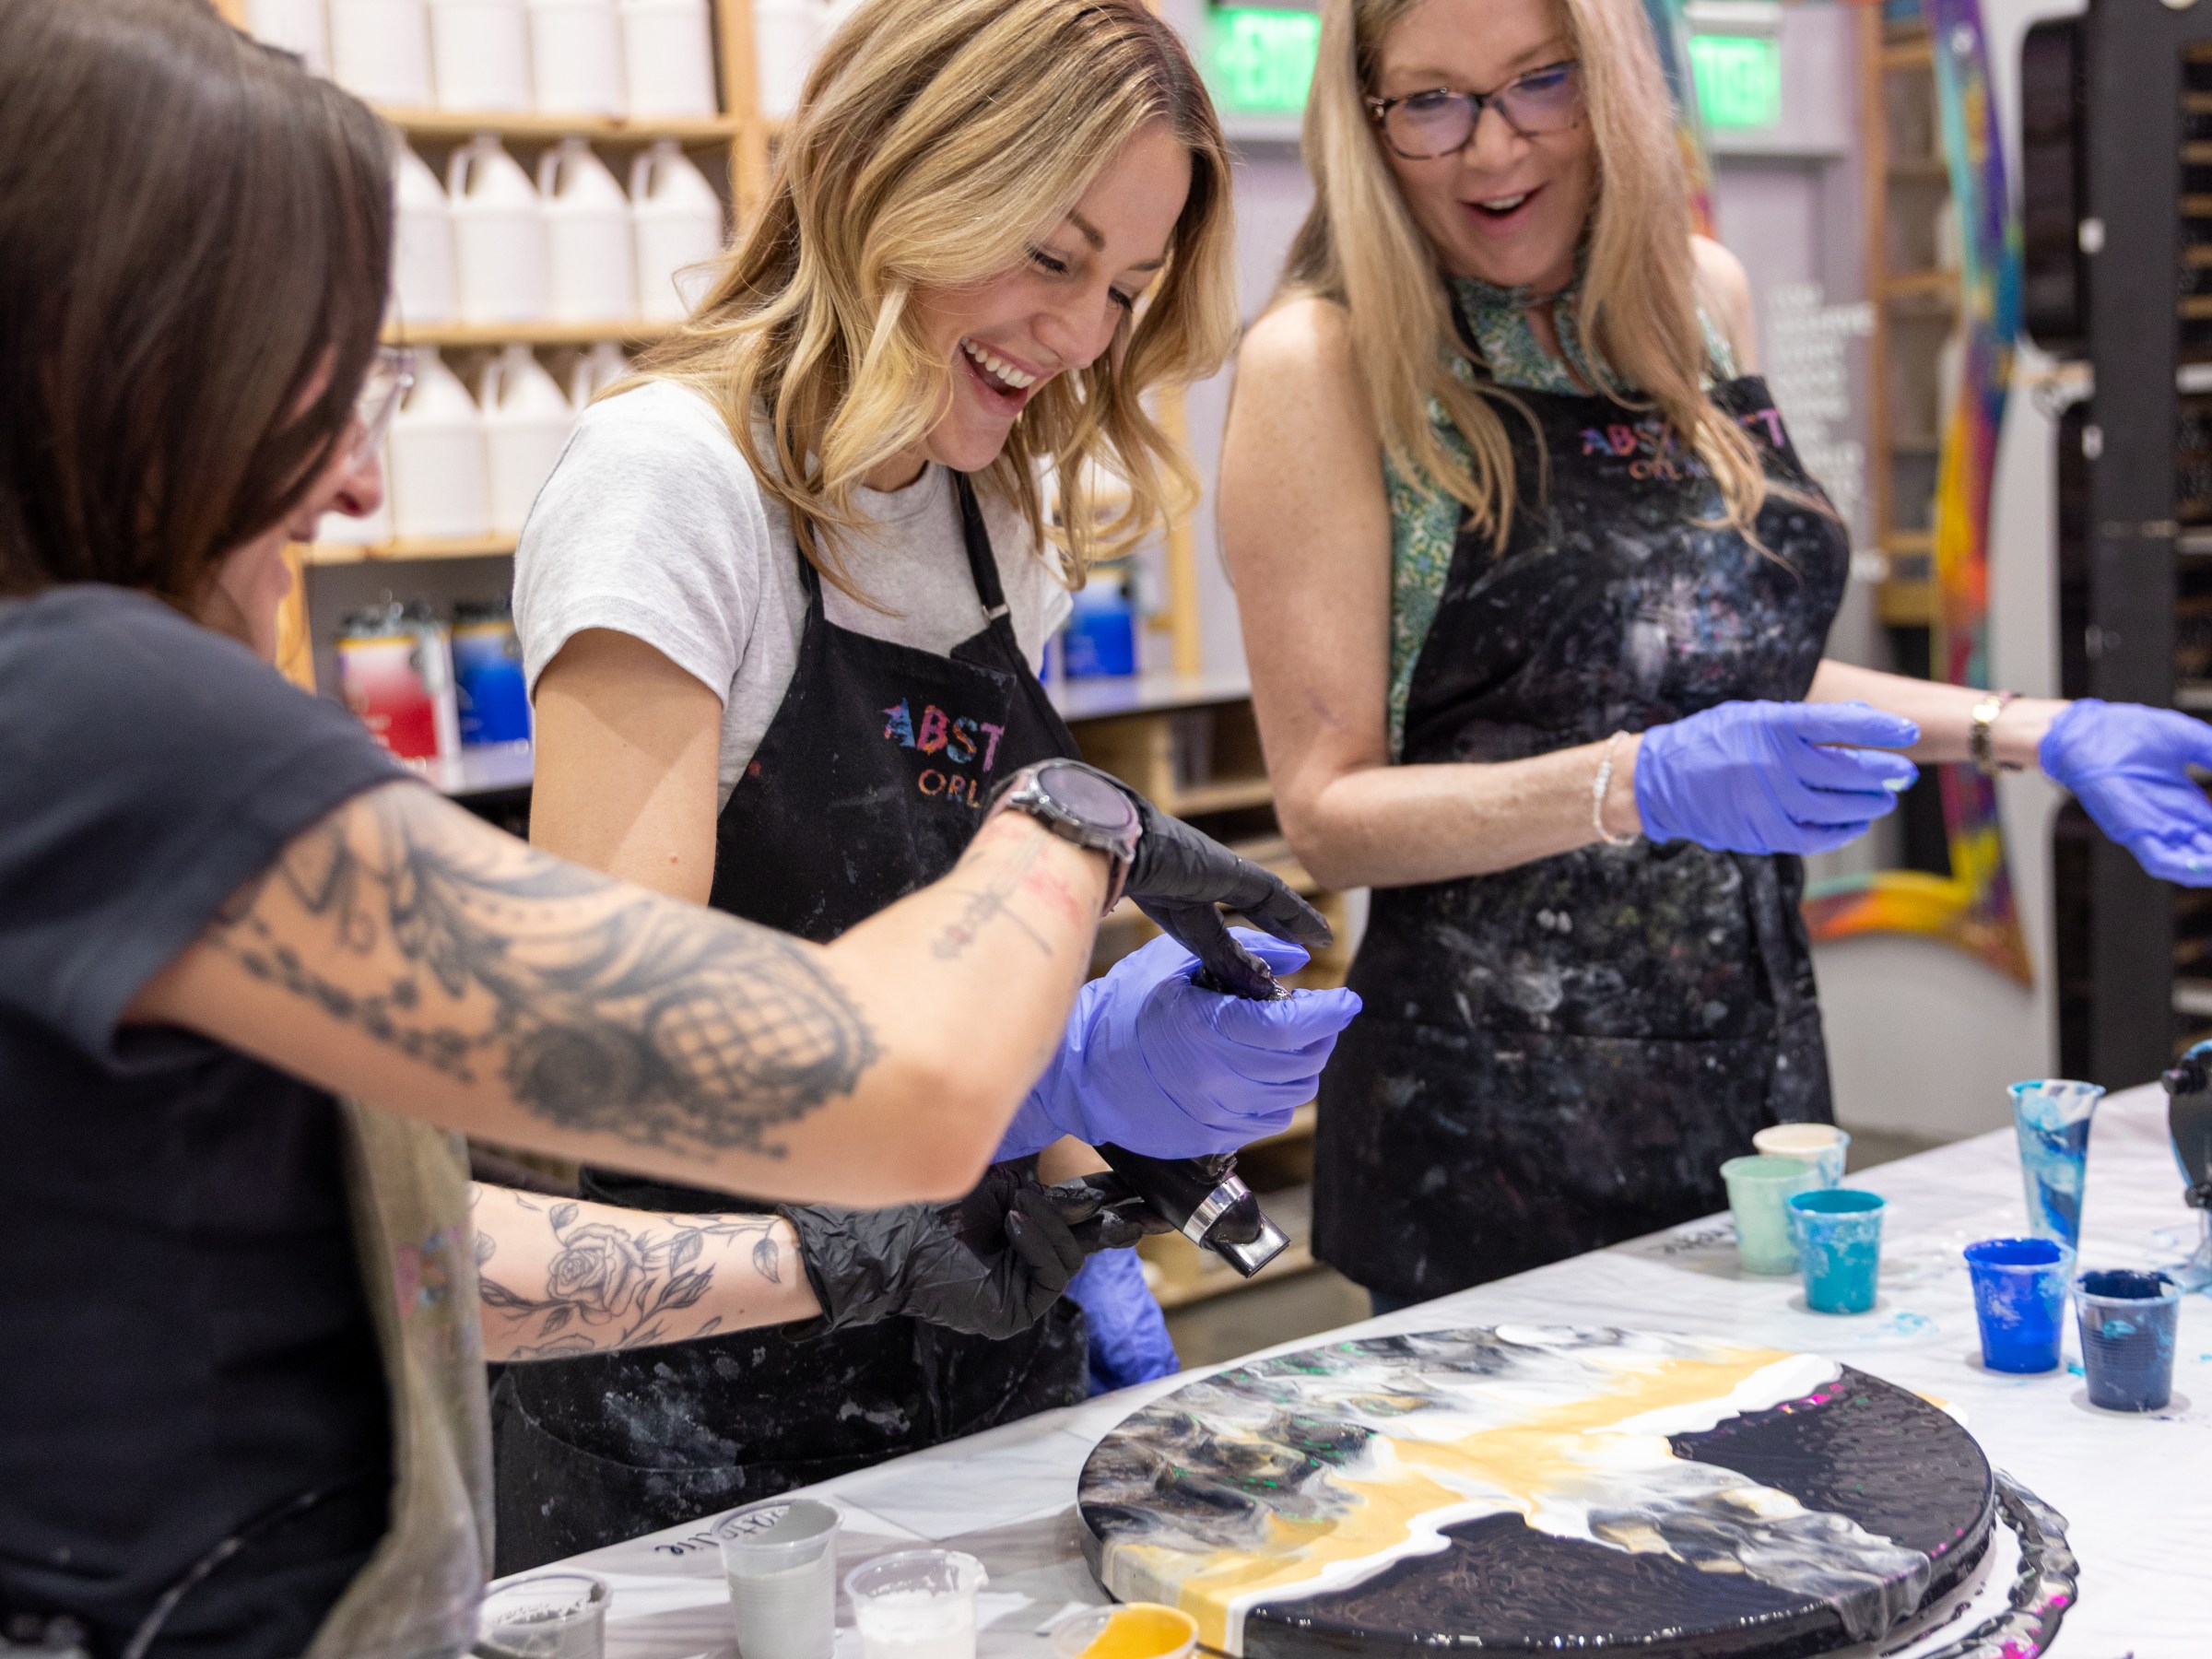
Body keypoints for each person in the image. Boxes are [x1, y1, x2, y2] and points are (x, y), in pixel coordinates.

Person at [0, 4, 1332, 1653]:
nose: (358, 484)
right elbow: (878, 1083)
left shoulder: (75, 722)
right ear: (106, 360)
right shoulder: (110, 727)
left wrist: (1004, 1206)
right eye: (305, 379)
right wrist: (1067, 828)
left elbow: (418, 1241)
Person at [498, 0, 1362, 1566]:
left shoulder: (992, 514)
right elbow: (605, 1057)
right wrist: (1050, 1075)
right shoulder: (675, 487)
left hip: (979, 1371)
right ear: (892, 178)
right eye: (1050, 256)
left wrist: (1083, 1175)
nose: (1084, 333)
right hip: (708, 1444)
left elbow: (974, 963)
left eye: (1126, 286)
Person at [1217, 0, 2212, 1312]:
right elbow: (1328, 814)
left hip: (1755, 1085)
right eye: (1432, 101)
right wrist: (1637, 782)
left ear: (1615, 84)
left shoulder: (1695, 301)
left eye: (1540, 82)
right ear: (1365, 116)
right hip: (1485, 1137)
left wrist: (2034, 729)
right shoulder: (1326, 361)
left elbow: (1720, 670)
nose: (1493, 148)